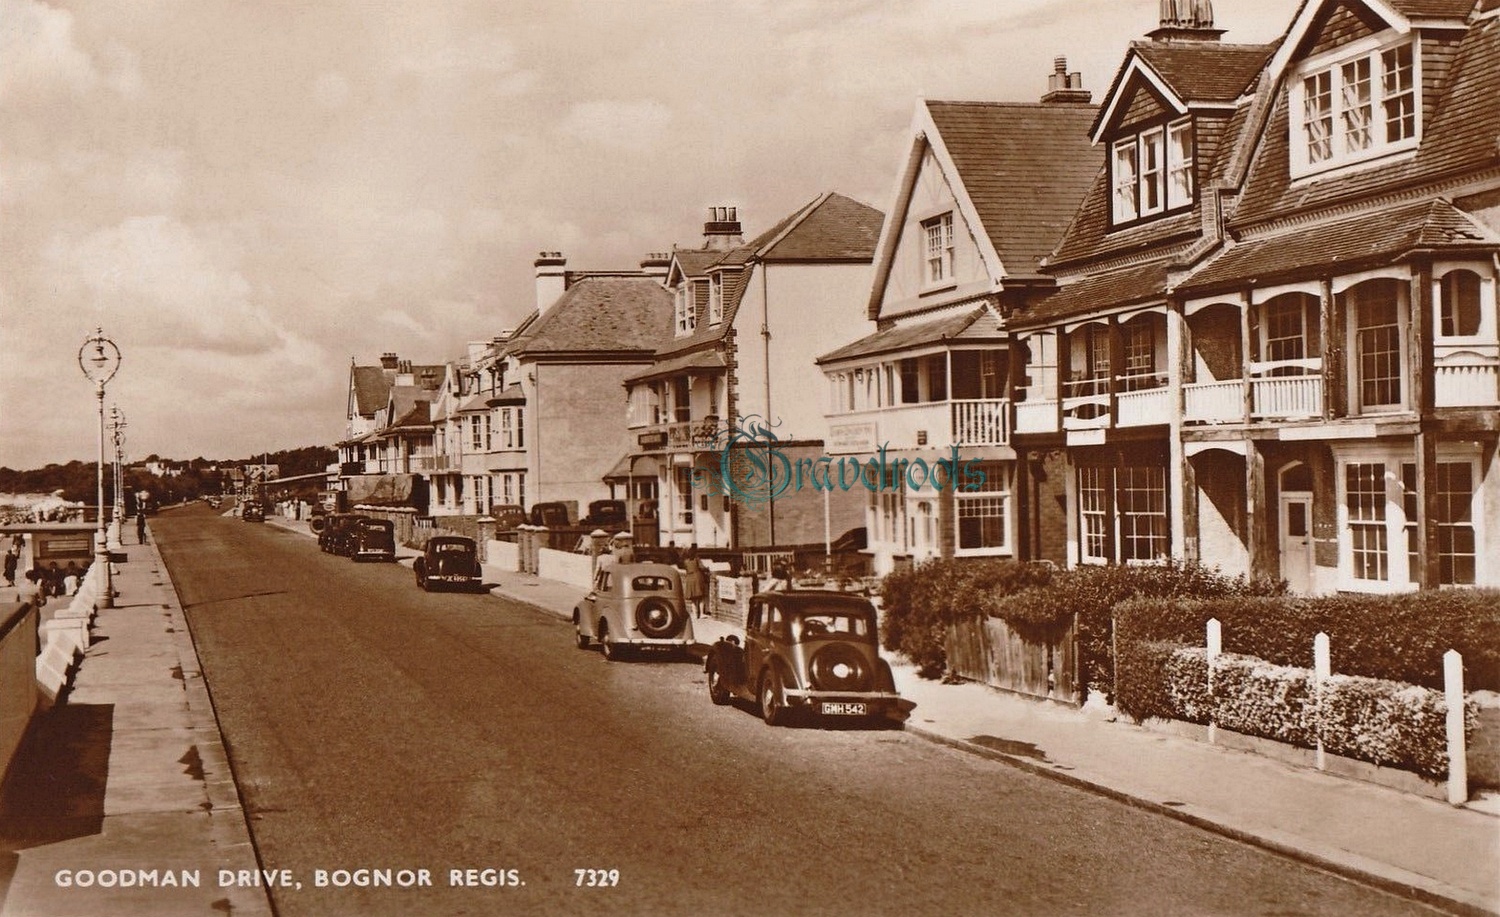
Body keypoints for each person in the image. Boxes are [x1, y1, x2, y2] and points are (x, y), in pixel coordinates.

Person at [682, 547, 705, 618]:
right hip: (697, 577)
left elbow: (685, 568)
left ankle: (695, 615)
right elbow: (702, 567)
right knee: (701, 597)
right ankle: (701, 614)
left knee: (693, 598)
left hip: (689, 578)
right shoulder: (697, 559)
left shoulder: (685, 561)